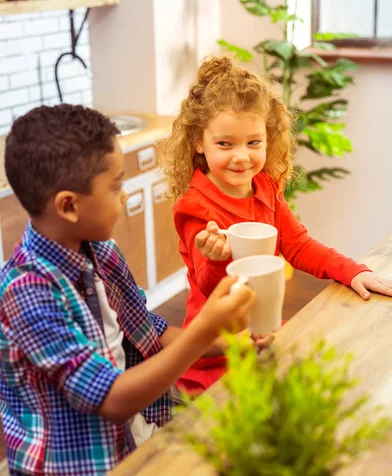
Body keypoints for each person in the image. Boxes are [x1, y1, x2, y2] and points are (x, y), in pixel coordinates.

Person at [0, 104, 263, 476]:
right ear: (69, 206)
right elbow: (111, 399)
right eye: (115, 186)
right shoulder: (26, 293)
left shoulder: (100, 250)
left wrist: (228, 342)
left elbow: (146, 332)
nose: (123, 196)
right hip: (77, 466)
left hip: (136, 436)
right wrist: (205, 327)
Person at [159, 55, 392, 393]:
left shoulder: (266, 188)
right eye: (225, 143)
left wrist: (354, 271)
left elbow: (299, 245)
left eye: (253, 142)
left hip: (261, 333)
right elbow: (211, 287)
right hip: (215, 353)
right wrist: (216, 257)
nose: (241, 156)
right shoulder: (195, 206)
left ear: (267, 139)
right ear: (199, 141)